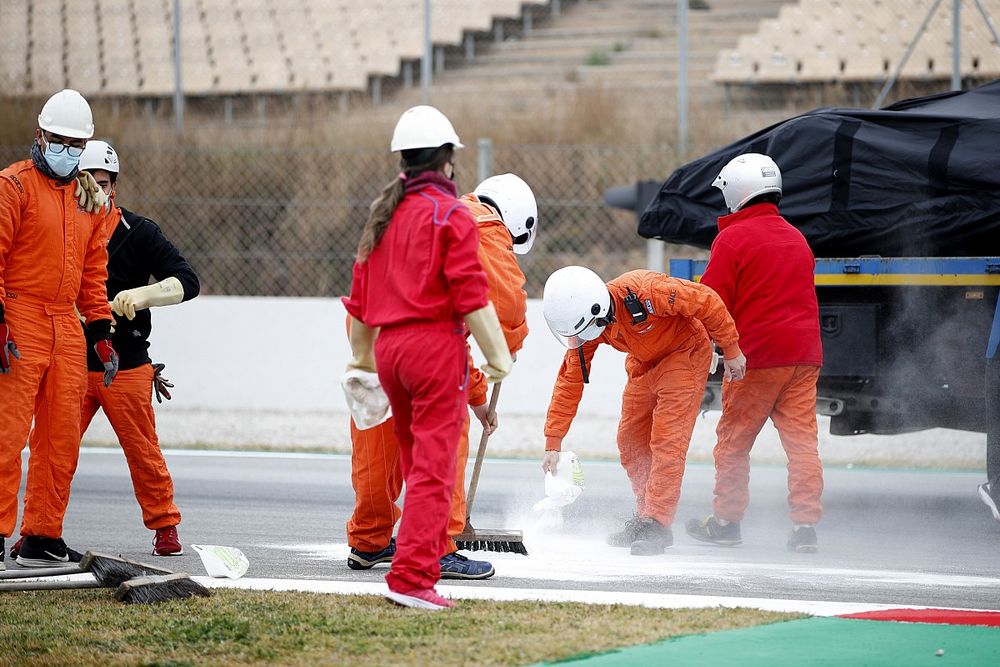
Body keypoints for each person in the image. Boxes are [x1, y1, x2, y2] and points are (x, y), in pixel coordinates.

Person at [342, 105, 512, 610]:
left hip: (390, 352)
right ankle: (412, 580)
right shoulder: (451, 213)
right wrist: (497, 358)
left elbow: (361, 298)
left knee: (418, 468)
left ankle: (418, 562)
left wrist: (360, 365)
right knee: (434, 473)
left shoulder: (385, 212)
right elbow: (470, 294)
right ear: (449, 161)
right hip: (434, 351)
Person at [10, 142, 200, 561]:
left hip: (127, 362)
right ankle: (38, 533)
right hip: (70, 363)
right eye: (89, 181)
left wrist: (144, 294)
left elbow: (188, 279)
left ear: (114, 186)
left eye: (105, 183)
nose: (97, 190)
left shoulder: (139, 231)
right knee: (49, 451)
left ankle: (165, 525)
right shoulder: (58, 223)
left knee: (143, 450)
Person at [541, 266, 744, 556]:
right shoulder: (584, 323)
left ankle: (657, 523)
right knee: (630, 440)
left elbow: (706, 300)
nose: (584, 338)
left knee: (667, 441)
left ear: (599, 308)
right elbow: (570, 378)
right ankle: (644, 515)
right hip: (643, 363)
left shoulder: (647, 292)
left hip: (684, 354)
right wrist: (553, 442)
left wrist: (731, 349)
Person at [0, 89, 119, 570]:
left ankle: (42, 537)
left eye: (76, 144)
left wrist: (101, 330)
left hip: (66, 325)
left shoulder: (88, 198)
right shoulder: (14, 187)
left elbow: (95, 272)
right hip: (21, 317)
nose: (66, 150)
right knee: (7, 435)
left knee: (60, 439)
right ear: (40, 135)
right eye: (59, 140)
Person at [684, 153, 824, 553]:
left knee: (733, 443)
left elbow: (710, 301)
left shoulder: (733, 238)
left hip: (755, 359)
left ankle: (726, 522)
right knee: (802, 447)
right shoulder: (796, 237)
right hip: (804, 357)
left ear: (737, 193)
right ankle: (805, 530)